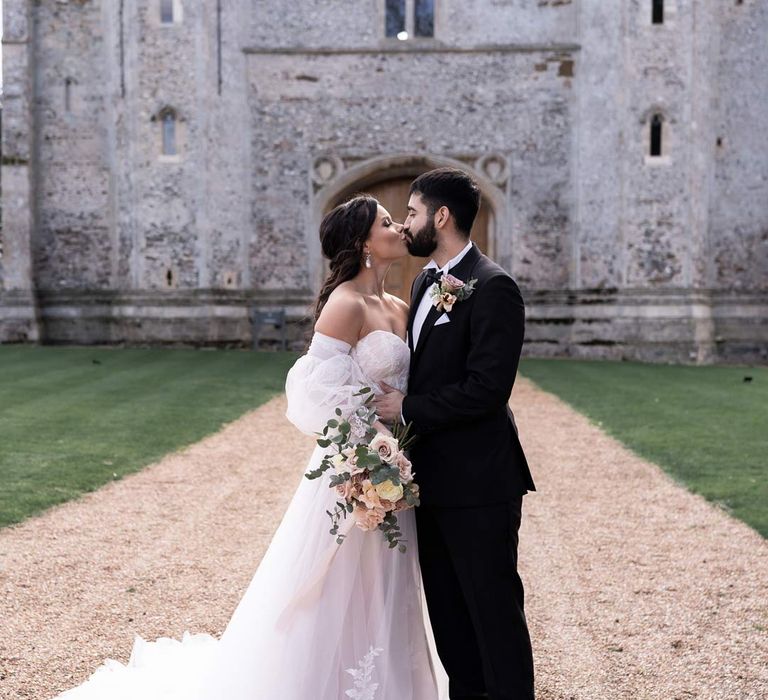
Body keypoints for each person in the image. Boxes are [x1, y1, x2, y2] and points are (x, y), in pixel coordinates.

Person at [53, 195, 445, 700]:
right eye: (386, 223)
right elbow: (310, 390)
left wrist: (402, 428)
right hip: (357, 470)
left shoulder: (399, 305)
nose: (396, 228)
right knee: (336, 585)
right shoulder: (345, 302)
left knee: (389, 580)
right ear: (364, 243)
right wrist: (366, 447)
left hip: (395, 469)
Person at [375, 167, 537, 700]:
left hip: (480, 484)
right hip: (429, 483)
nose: (406, 224)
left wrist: (409, 406)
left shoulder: (494, 287)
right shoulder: (424, 281)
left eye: (414, 213)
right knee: (448, 617)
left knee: (493, 615)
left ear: (441, 217)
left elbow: (487, 390)